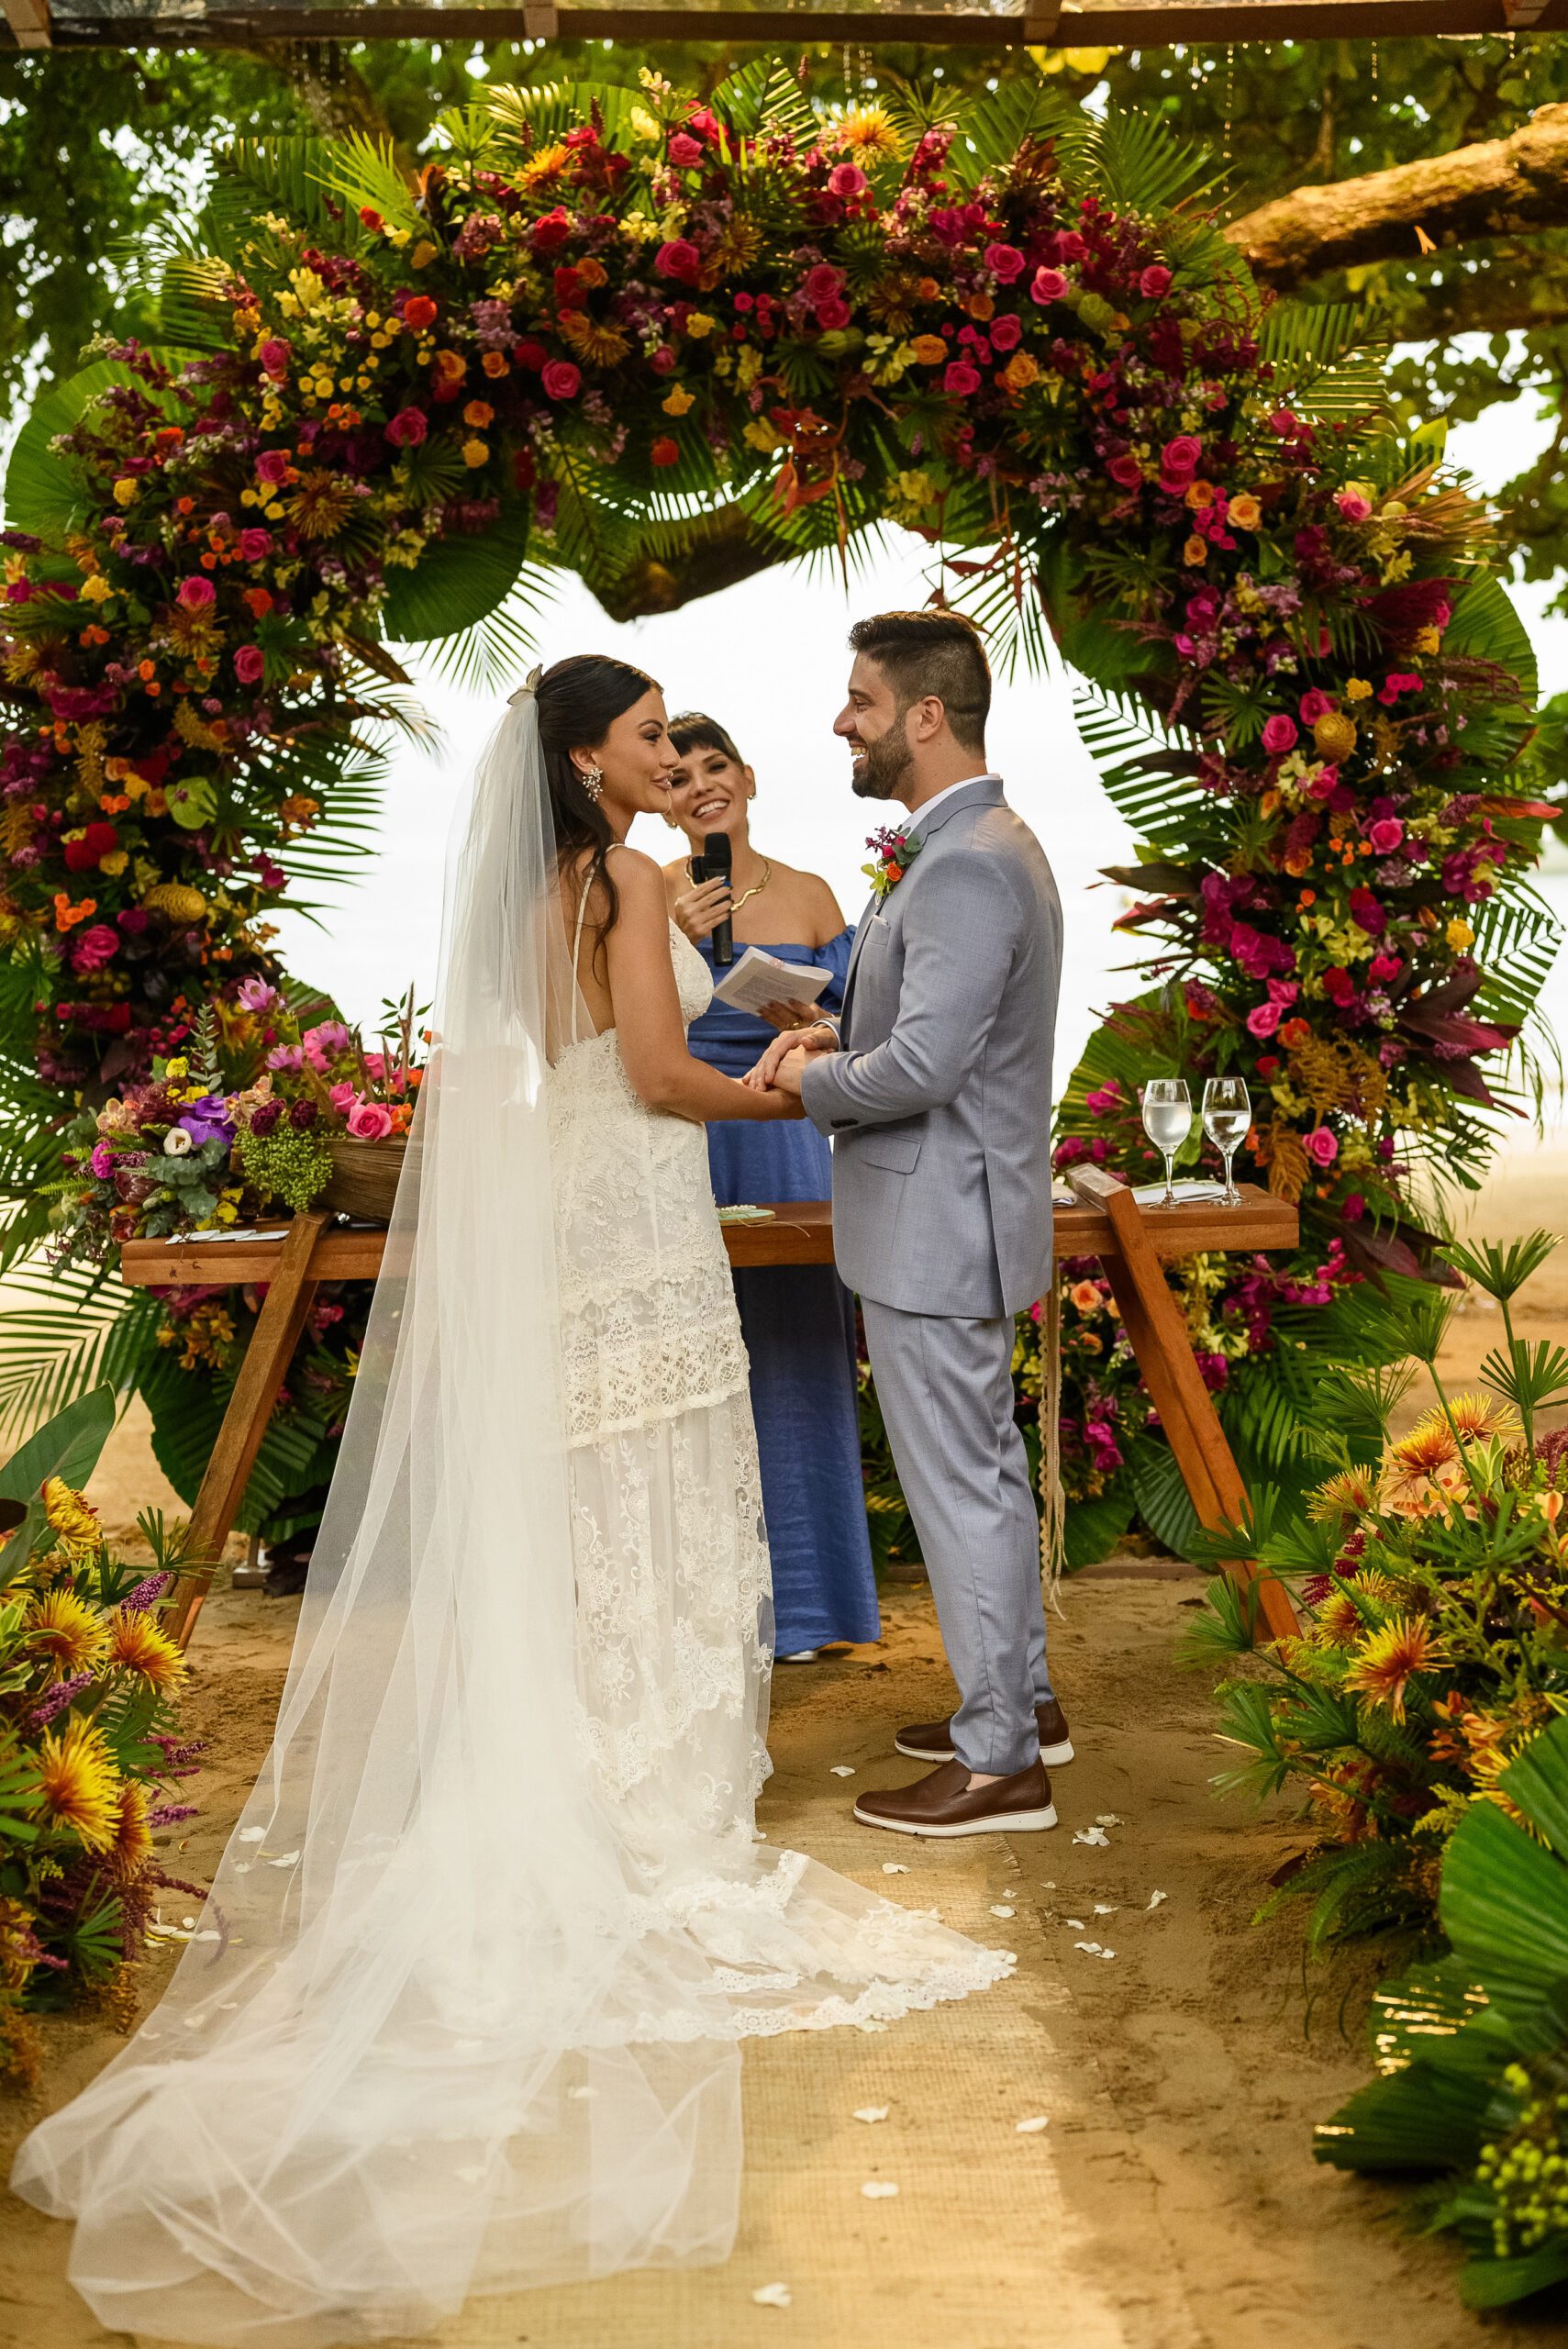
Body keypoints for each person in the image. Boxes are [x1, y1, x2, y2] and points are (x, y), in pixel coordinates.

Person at [12, 654, 1013, 2347]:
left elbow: (554, 1057)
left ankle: (590, 1767)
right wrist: (773, 1087)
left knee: (604, 1495)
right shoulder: (619, 876)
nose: (663, 760)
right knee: (662, 1487)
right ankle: (643, 1810)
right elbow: (647, 1073)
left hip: (569, 1212)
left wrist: (739, 1043)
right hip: (633, 1207)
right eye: (640, 738)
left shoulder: (539, 882)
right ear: (582, 755)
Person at [751, 610, 1075, 1840]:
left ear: (925, 716)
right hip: (947, 1215)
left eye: (862, 701)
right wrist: (845, 1037)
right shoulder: (969, 845)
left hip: (938, 1223)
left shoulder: (967, 860)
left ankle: (1000, 1765)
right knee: (979, 1472)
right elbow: (944, 1037)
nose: (844, 721)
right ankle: (1023, 1708)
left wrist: (806, 1084)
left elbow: (931, 1067)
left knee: (962, 1488)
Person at [661, 711, 880, 1663]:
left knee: (794, 1359)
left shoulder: (811, 892)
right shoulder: (649, 896)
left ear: (747, 777)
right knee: (695, 1370)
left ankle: (807, 1607)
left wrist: (811, 1017)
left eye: (716, 767)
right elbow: (621, 1036)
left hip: (789, 1145)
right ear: (660, 799)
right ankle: (706, 1616)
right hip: (686, 1148)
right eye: (678, 776)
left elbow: (868, 1028)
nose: (701, 785)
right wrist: (668, 944)